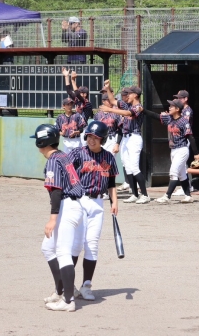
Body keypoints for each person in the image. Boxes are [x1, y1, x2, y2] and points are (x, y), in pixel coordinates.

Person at [32, 124, 83, 312]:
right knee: (47, 248)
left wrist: (52, 219)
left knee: (62, 252)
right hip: (72, 206)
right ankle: (61, 291)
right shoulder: (62, 155)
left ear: (42, 142)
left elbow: (56, 191)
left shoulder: (53, 160)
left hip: (66, 207)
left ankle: (68, 301)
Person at [67, 121, 119, 300]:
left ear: (102, 139)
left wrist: (114, 201)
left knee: (92, 244)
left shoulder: (109, 157)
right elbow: (65, 175)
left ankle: (86, 285)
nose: (91, 140)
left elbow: (111, 183)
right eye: (89, 136)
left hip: (98, 202)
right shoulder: (77, 153)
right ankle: (67, 285)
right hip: (79, 201)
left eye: (96, 137)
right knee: (76, 244)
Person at [137, 99, 199, 204]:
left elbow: (191, 137)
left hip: (182, 150)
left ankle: (167, 196)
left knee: (173, 172)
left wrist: (196, 153)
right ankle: (188, 196)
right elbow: (156, 116)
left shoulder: (184, 121)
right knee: (182, 174)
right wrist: (143, 110)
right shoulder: (169, 118)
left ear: (177, 109)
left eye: (171, 106)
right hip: (173, 150)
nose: (169, 108)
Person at [100, 81, 149, 204]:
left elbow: (128, 113)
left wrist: (109, 110)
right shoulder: (127, 105)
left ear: (135, 95)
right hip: (126, 138)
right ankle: (134, 194)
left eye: (130, 93)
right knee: (127, 167)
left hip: (134, 137)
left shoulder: (138, 106)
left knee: (134, 167)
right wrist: (108, 89)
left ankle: (145, 195)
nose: (128, 95)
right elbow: (113, 101)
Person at [170, 90, 196, 196]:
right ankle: (186, 186)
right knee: (181, 165)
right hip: (177, 139)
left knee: (182, 164)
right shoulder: (180, 110)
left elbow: (184, 123)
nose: (178, 99)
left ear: (186, 99)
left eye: (180, 98)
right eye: (177, 97)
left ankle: (187, 186)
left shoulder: (187, 111)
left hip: (185, 138)